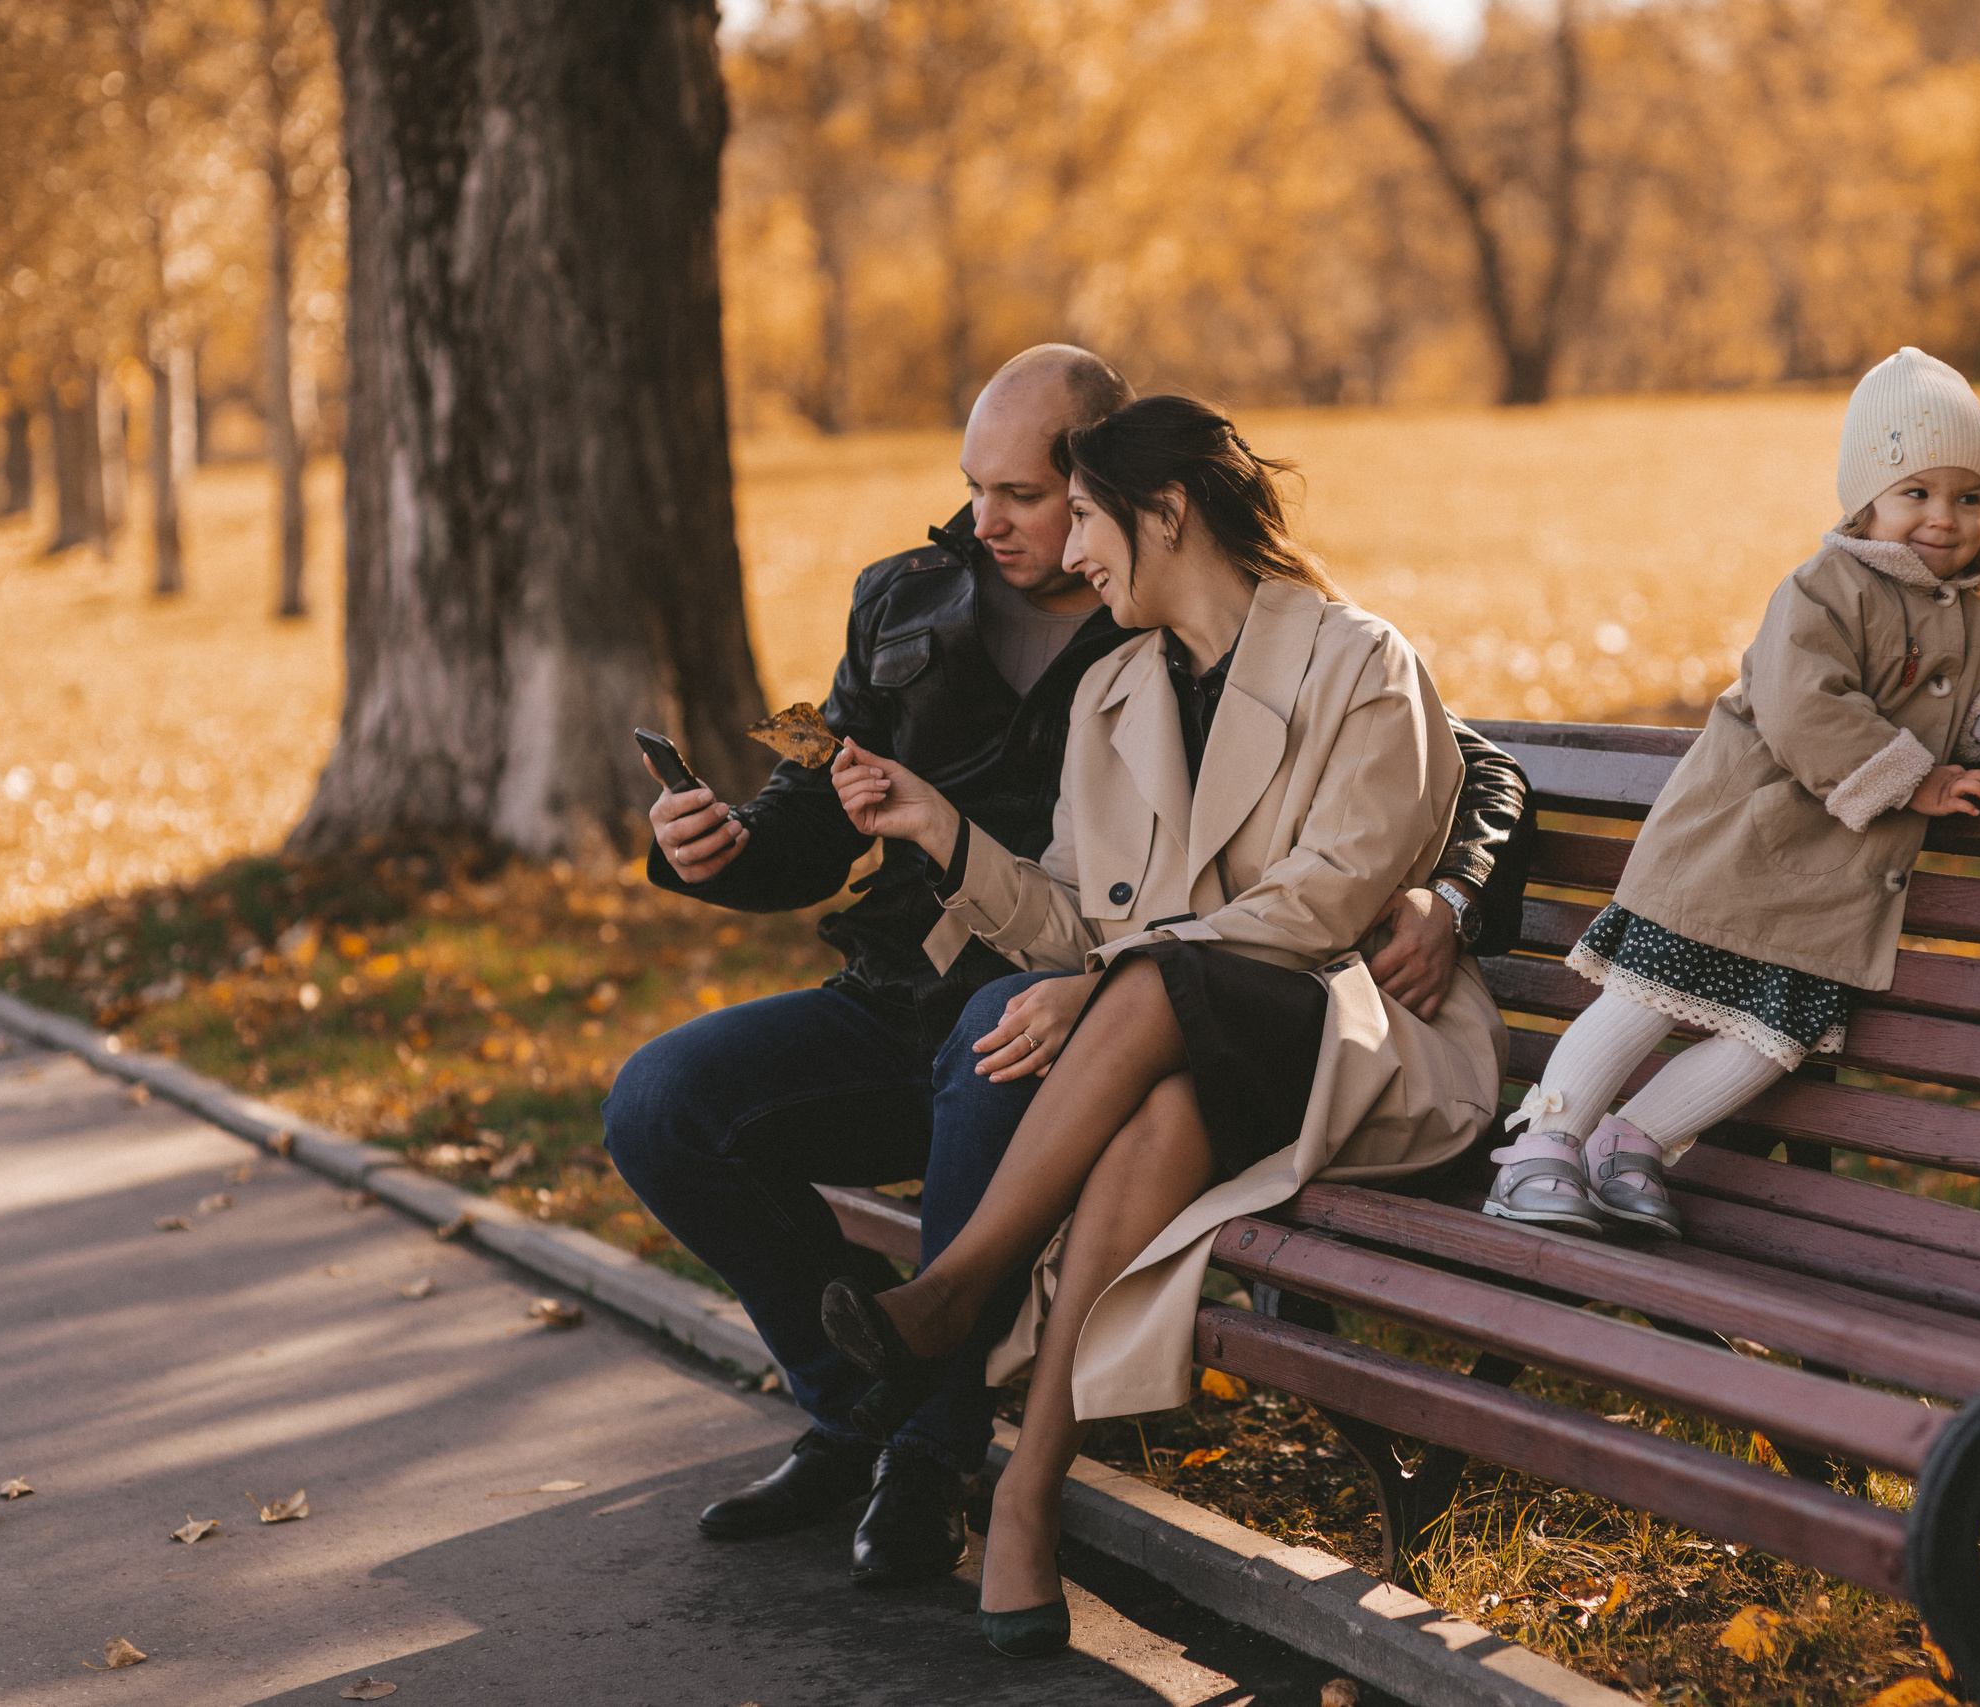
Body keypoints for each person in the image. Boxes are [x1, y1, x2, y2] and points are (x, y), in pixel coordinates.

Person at [602, 348, 1530, 1585]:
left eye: (1035, 499)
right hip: (954, 1001)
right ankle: (862, 1410)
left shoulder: (1248, 631)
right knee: (664, 1102)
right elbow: (864, 828)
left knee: (1014, 1029)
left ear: (1125, 494)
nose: (991, 524)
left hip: (1161, 1023)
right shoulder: (944, 611)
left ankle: (935, 1450)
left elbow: (1450, 774)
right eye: (973, 489)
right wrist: (741, 848)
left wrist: (1454, 890)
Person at [816, 394, 1508, 1656]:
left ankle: (954, 1291)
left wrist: (1115, 975)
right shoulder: (1118, 694)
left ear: (1166, 513)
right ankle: (1027, 1498)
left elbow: (1326, 902)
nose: (1072, 555)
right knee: (1161, 1090)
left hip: (1358, 1040)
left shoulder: (1360, 661)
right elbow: (1078, 926)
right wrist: (941, 832)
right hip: (1195, 1064)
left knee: (1146, 993)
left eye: (1084, 518)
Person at [1483, 347, 1980, 1238]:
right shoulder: (1826, 589)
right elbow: (1806, 706)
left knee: (1771, 1038)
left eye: (1967, 496)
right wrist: (1916, 780)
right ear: (1867, 498)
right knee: (1648, 994)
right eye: (1916, 492)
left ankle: (1630, 1142)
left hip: (1825, 893)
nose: (1945, 518)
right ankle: (1542, 1143)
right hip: (1736, 844)